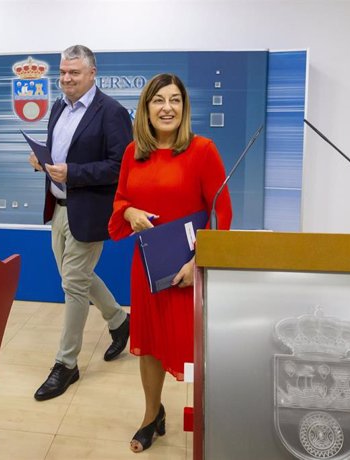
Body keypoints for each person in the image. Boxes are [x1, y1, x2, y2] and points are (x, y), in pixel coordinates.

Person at [108, 74, 232, 452]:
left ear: (184, 107)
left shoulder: (203, 150)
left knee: (194, 350)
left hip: (189, 272)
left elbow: (221, 213)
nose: (167, 108)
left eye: (175, 100)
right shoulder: (133, 153)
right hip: (147, 268)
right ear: (146, 108)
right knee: (149, 346)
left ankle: (206, 422)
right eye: (158, 100)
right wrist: (128, 213)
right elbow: (120, 200)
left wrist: (198, 262)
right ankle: (151, 415)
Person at [28, 45, 132, 402]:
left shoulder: (112, 113)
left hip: (88, 212)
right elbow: (61, 153)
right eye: (62, 73)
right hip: (58, 208)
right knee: (77, 278)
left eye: (74, 73)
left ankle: (66, 364)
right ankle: (119, 321)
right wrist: (42, 160)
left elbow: (121, 168)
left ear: (92, 73)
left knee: (73, 285)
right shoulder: (58, 107)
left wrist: (73, 173)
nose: (66, 79)